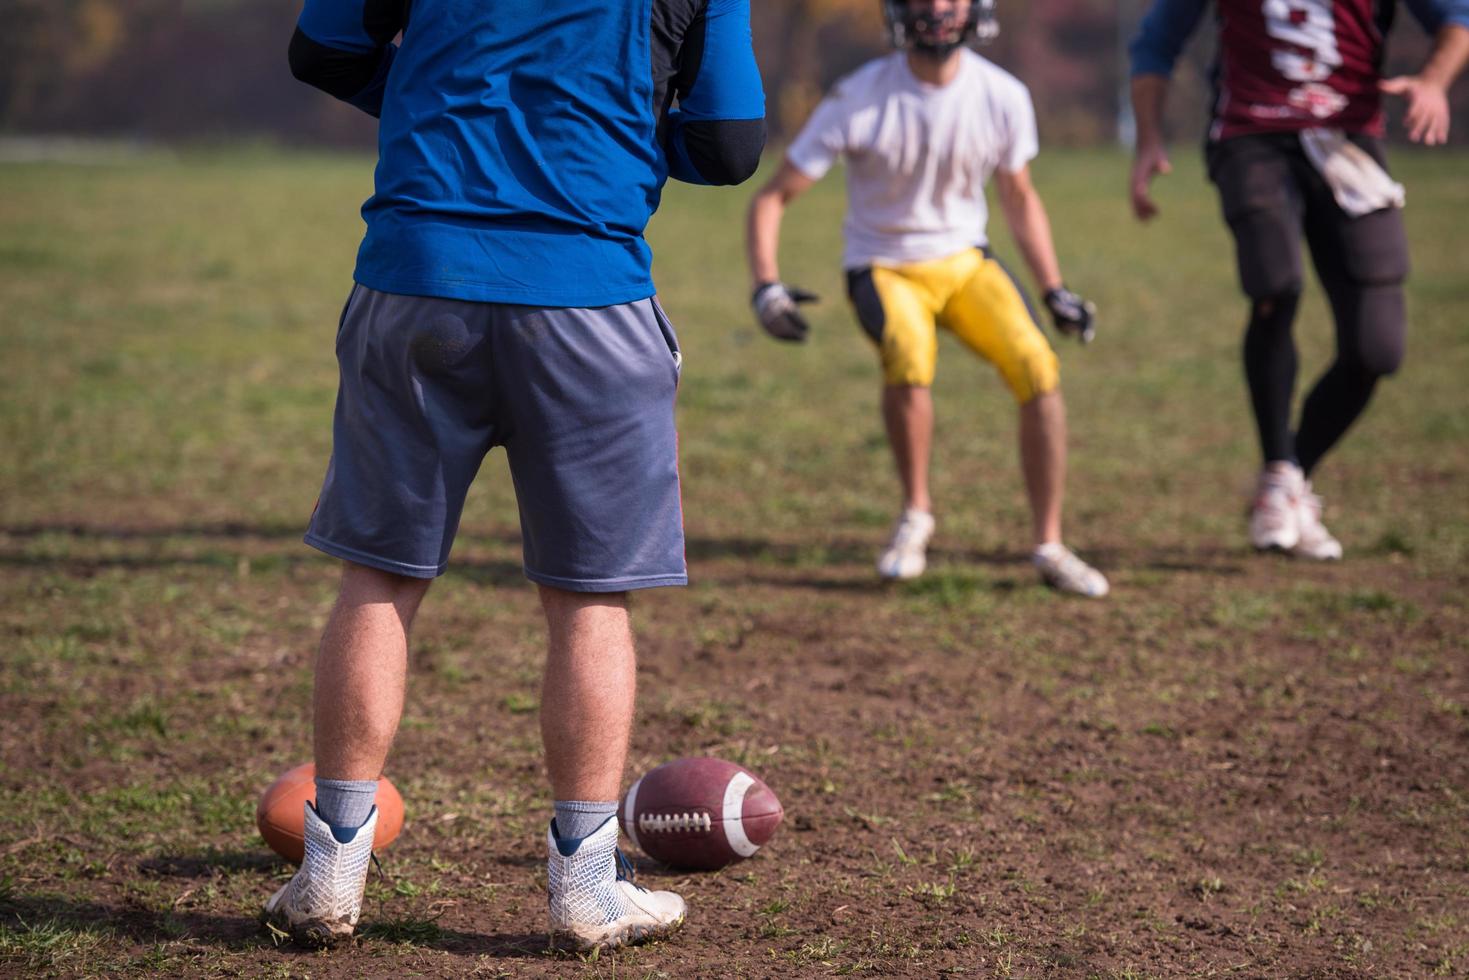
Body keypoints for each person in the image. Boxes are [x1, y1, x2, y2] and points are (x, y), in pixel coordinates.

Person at [270, 0, 764, 952]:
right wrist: (602, 139)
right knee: (589, 599)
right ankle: (585, 888)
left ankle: (329, 876)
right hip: (588, 291)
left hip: (415, 273)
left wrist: (439, 109)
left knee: (378, 575)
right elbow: (729, 141)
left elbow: (321, 49)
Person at [745, 0, 1109, 597]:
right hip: (883, 266)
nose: (937, 7)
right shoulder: (859, 95)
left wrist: (1054, 289)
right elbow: (772, 197)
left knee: (1039, 367)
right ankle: (917, 513)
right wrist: (766, 286)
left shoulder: (1002, 95)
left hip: (965, 261)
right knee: (909, 358)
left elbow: (1018, 197)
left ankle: (1050, 542)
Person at [1129, 0, 1469, 559]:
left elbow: (1456, 16)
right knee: (1275, 284)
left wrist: (1434, 81)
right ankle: (1279, 474)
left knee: (1377, 348)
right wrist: (1148, 140)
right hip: (1250, 135)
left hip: (1347, 137)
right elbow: (1156, 40)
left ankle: (1289, 477)